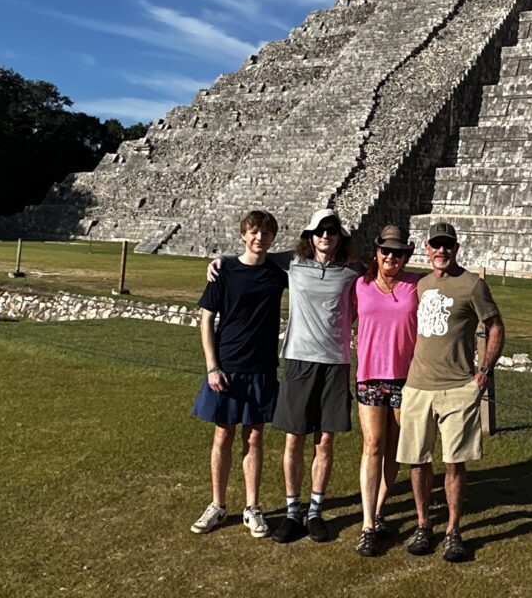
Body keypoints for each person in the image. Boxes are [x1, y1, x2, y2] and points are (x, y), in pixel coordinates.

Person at [207, 207, 361, 545]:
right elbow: (254, 252)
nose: (325, 236)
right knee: (293, 438)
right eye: (319, 231)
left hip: (335, 363)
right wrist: (220, 259)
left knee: (325, 440)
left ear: (339, 236)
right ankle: (293, 511)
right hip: (297, 361)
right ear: (309, 236)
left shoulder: (352, 272)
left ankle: (315, 511)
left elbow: (381, 272)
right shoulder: (292, 264)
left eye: (332, 231)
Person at [396, 221, 505, 562]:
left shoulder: (473, 285)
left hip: (458, 387)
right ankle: (423, 524)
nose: (441, 251)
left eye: (448, 245)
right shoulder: (420, 284)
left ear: (457, 249)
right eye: (436, 245)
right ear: (426, 249)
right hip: (418, 385)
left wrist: (484, 371)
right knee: (417, 461)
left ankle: (453, 531)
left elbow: (495, 326)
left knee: (454, 463)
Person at [190, 210, 288, 538]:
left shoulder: (277, 274)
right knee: (223, 434)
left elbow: (310, 254)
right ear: (244, 235)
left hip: (260, 366)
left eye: (266, 233)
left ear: (273, 238)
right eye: (254, 232)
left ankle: (252, 506)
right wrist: (212, 367)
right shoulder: (225, 271)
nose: (260, 238)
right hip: (228, 366)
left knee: (255, 437)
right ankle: (217, 505)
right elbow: (206, 319)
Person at [352, 224, 420, 557]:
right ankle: (367, 523)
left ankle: (378, 509)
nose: (392, 257)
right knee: (373, 443)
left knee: (394, 447)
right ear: (376, 254)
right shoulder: (360, 285)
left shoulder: (416, 286)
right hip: (369, 376)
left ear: (406, 256)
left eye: (398, 252)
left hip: (404, 377)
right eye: (386, 251)